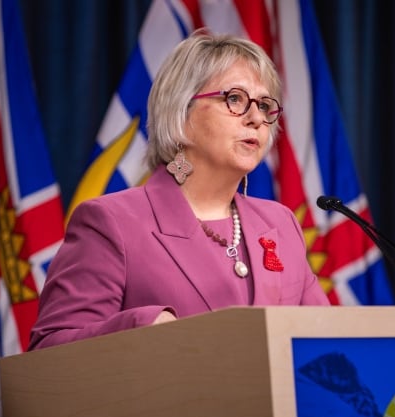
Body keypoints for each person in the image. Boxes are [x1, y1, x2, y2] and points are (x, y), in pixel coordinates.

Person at [28, 30, 330, 350]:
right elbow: (50, 351)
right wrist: (144, 328)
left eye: (265, 105)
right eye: (235, 99)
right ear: (181, 113)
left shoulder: (280, 224)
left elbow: (327, 341)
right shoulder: (110, 223)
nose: (257, 118)